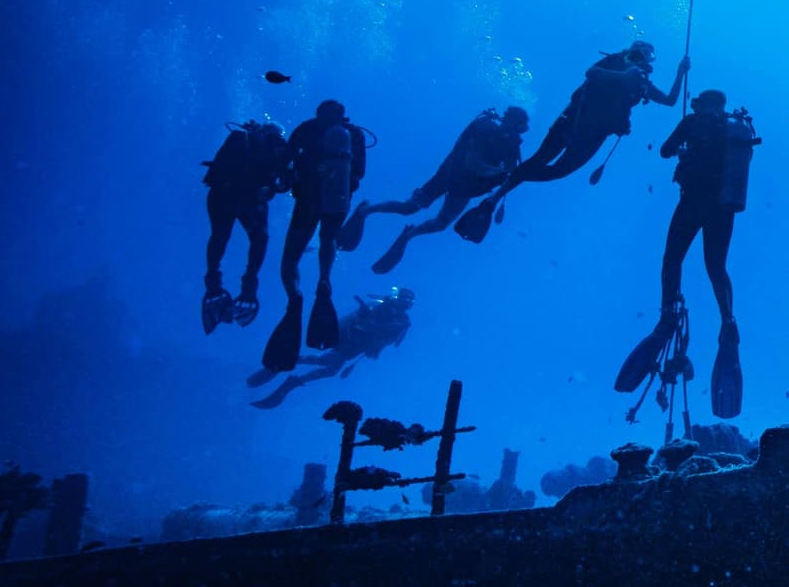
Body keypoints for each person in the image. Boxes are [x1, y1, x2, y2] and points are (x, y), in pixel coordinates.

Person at [616, 86, 758, 417]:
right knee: (716, 266)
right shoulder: (733, 128)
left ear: (700, 103)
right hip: (722, 207)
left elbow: (664, 151)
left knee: (672, 260)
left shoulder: (691, 122)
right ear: (721, 105)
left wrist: (684, 148)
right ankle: (728, 319)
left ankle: (667, 314)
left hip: (692, 202)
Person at [454, 42, 686, 244]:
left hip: (594, 136)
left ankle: (500, 184)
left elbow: (670, 100)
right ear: (628, 52)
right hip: (570, 122)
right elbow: (591, 73)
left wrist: (680, 73)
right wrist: (623, 77)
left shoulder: (641, 83)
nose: (637, 59)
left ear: (647, 63)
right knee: (540, 160)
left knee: (558, 171)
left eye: (643, 57)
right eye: (635, 54)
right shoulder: (614, 62)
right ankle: (495, 194)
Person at [340, 107, 528, 274]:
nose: (518, 131)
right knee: (409, 208)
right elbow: (471, 162)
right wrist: (497, 172)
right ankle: (366, 210)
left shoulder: (511, 148)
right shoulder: (484, 128)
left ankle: (409, 234)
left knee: (440, 224)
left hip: (465, 189)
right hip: (448, 176)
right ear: (508, 120)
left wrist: (497, 191)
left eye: (521, 128)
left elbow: (510, 176)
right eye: (518, 125)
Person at [264, 100, 370, 372]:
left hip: (307, 201)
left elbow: (284, 163)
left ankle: (294, 298)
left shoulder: (306, 128)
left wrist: (289, 178)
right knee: (328, 242)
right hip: (338, 202)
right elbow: (360, 173)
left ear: (319, 112)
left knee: (291, 258)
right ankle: (324, 281)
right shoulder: (354, 134)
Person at [246, 287, 415, 409]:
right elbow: (360, 320)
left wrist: (377, 346)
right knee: (328, 365)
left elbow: (390, 342)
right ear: (397, 297)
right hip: (349, 338)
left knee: (327, 365)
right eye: (404, 299)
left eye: (409, 302)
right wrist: (378, 331)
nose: (405, 304)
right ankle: (291, 373)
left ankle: (290, 371)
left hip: (358, 346)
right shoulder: (379, 306)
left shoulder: (402, 321)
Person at [199, 120, 290, 333]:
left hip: (222, 193)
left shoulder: (240, 137)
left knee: (220, 235)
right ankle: (249, 283)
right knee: (259, 240)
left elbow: (218, 167)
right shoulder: (280, 149)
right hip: (251, 199)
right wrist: (270, 189)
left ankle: (213, 280)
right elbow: (285, 183)